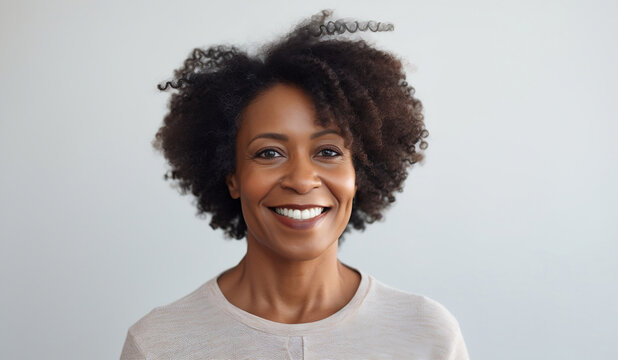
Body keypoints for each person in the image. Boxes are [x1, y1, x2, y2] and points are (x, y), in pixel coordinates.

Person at [120, 9, 469, 359]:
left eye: (328, 151)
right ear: (232, 177)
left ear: (359, 173)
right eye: (270, 153)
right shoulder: (158, 344)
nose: (302, 180)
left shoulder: (426, 336)